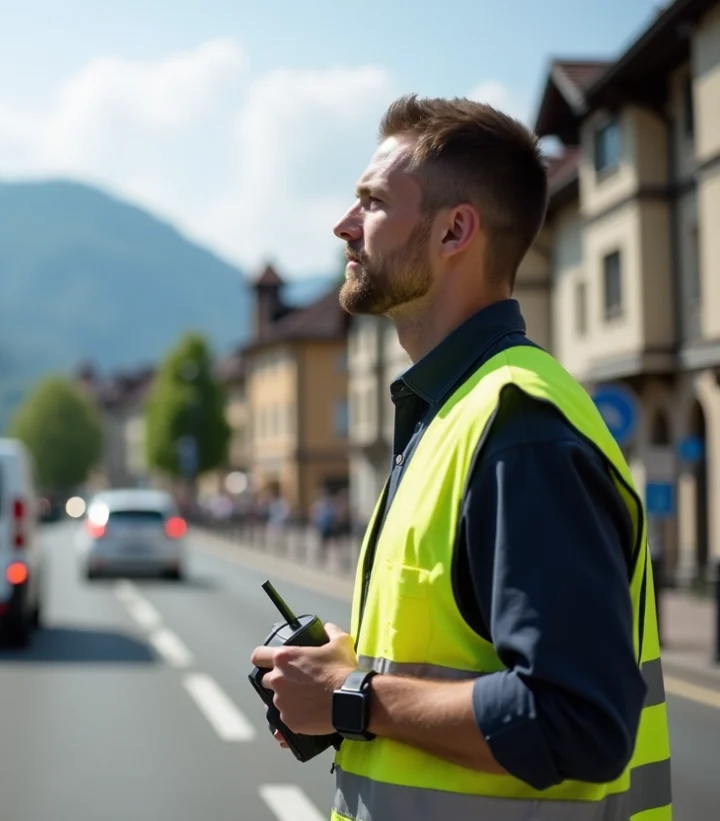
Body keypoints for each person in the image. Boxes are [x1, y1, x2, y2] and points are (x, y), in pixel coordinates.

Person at [250, 95, 671, 820]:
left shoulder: (520, 430)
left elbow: (579, 723)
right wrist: (357, 666)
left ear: (455, 230)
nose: (344, 225)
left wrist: (352, 698)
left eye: (372, 203)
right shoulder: (453, 412)